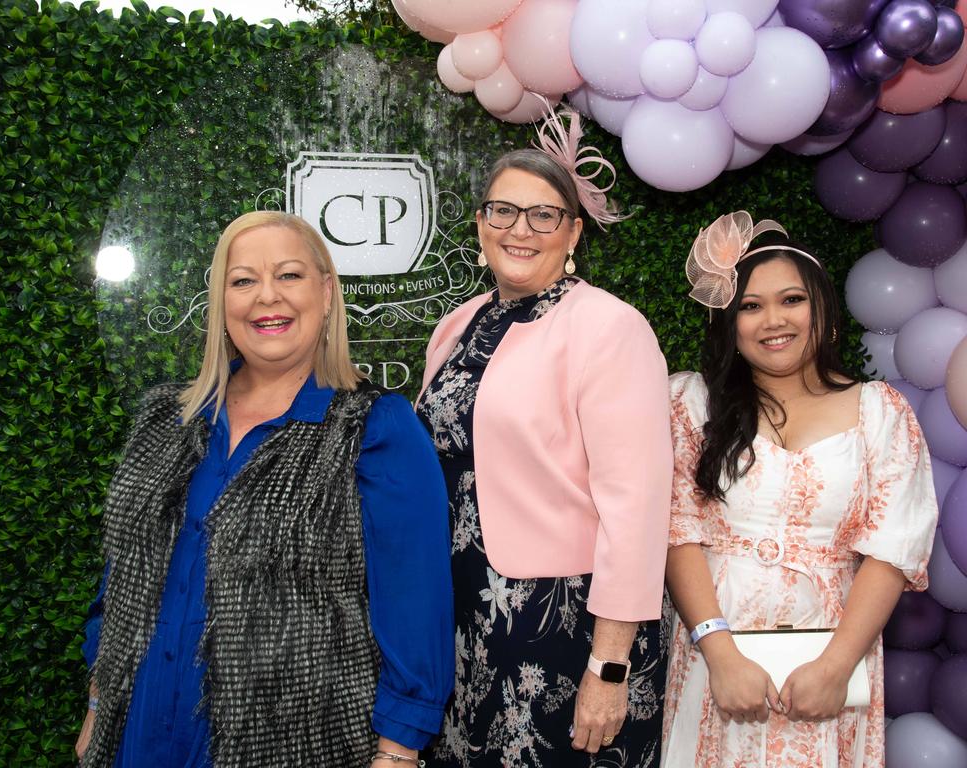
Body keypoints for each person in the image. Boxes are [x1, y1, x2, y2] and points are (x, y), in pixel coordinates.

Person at [75, 211, 454, 768]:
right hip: (141, 733)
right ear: (221, 302)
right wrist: (98, 702)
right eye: (243, 280)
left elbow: (415, 605)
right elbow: (124, 581)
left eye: (290, 276)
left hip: (296, 745)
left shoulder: (374, 429)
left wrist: (397, 752)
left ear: (326, 293)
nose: (266, 298)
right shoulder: (169, 421)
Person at [416, 109, 673, 768]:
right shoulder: (455, 326)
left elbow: (636, 507)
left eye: (543, 215)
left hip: (565, 629)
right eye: (502, 211)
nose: (519, 229)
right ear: (480, 224)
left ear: (573, 233)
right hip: (464, 617)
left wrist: (609, 668)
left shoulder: (609, 328)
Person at [661, 212, 939, 767]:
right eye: (750, 305)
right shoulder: (691, 404)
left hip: (832, 647)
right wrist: (719, 652)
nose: (772, 320)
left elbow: (891, 548)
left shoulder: (881, 413)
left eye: (791, 300)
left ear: (823, 312)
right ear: (730, 325)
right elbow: (677, 531)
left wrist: (836, 667)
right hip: (716, 647)